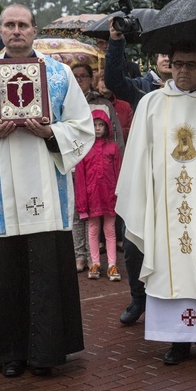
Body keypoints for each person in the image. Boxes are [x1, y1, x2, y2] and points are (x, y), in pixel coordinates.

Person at [0, 3, 94, 378]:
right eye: (10, 25)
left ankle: (47, 352)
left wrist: (50, 133)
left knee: (46, 270)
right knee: (6, 272)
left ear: (35, 31)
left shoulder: (59, 74)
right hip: (2, 197)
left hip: (50, 190)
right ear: (1, 31)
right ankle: (9, 352)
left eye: (23, 25)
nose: (16, 31)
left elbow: (83, 128)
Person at [116, 40, 196, 366]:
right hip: (164, 206)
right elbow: (137, 157)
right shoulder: (151, 103)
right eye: (177, 64)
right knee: (166, 266)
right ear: (169, 64)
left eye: (190, 64)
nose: (183, 70)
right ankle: (176, 341)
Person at [105, 21, 172, 326]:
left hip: (180, 184)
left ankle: (167, 302)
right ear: (155, 60)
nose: (170, 62)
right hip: (147, 180)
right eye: (164, 56)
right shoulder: (143, 90)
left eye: (175, 57)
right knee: (133, 244)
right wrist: (117, 41)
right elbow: (114, 80)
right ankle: (138, 298)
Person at [75, 109, 122, 281]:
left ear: (107, 127)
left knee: (109, 230)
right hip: (92, 196)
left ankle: (112, 264)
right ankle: (95, 263)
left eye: (101, 125)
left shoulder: (113, 148)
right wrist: (81, 201)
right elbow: (80, 177)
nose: (97, 128)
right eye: (94, 125)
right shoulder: (85, 149)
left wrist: (120, 195)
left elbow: (119, 172)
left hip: (110, 196)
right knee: (93, 229)